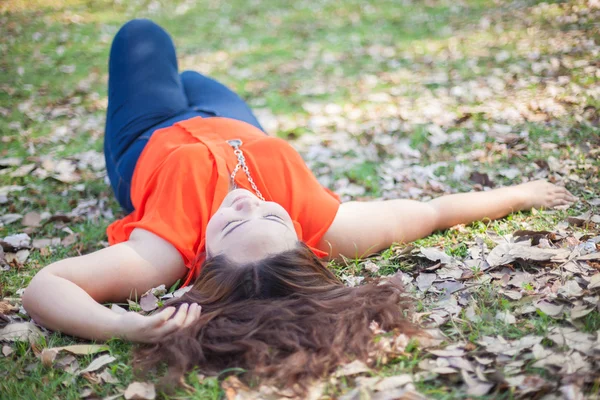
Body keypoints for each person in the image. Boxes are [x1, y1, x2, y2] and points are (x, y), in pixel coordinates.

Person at [22, 19, 576, 388]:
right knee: (194, 79)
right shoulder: (325, 226)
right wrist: (520, 194)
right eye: (272, 216)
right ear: (303, 244)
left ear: (205, 260)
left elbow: (44, 288)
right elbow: (432, 213)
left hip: (147, 136)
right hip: (233, 122)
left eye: (234, 224)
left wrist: (126, 328)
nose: (248, 204)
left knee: (143, 36)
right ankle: (190, 88)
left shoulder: (163, 251)